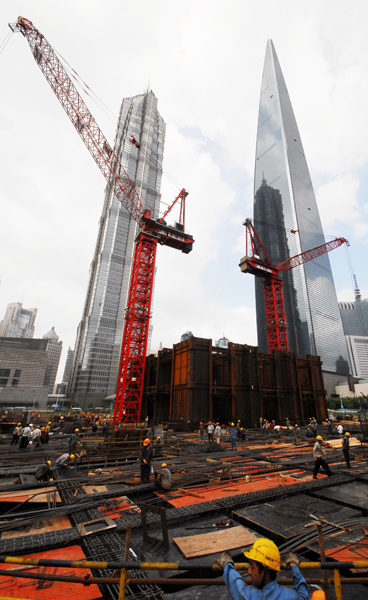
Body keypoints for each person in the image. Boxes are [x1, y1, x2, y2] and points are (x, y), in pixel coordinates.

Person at [216, 537, 309, 600]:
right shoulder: (291, 596)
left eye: (252, 567)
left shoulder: (254, 597)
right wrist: (294, 566)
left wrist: (227, 563)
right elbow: (304, 595)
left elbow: (238, 586)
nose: (249, 571)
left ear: (265, 572)